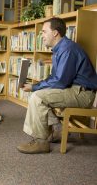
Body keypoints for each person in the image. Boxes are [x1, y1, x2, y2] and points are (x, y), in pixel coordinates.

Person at [17, 17, 97, 154]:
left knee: (38, 97)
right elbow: (55, 78)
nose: (41, 36)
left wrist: (35, 88)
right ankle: (58, 129)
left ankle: (41, 142)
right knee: (40, 94)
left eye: (43, 32)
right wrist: (36, 85)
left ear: (55, 33)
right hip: (74, 89)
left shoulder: (67, 49)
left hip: (83, 93)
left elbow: (60, 81)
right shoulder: (60, 49)